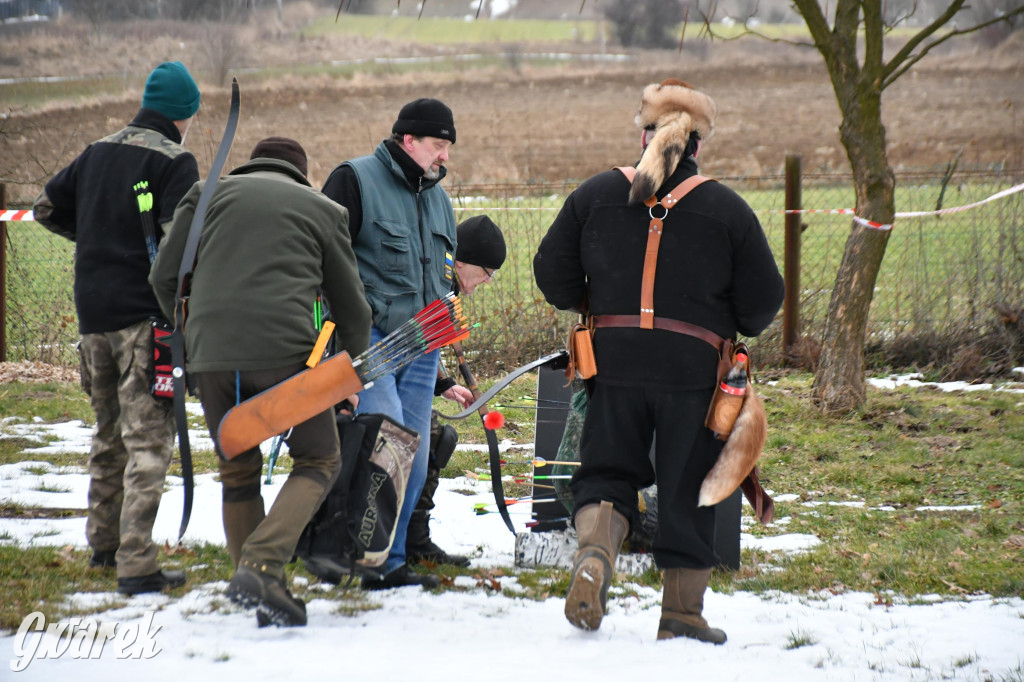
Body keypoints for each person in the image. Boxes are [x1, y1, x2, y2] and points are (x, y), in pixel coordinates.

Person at [533, 79, 785, 643]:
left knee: (606, 474)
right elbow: (764, 303)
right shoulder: (727, 209)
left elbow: (552, 275)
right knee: (690, 486)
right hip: (694, 371)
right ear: (696, 146)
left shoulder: (595, 194)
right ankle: (682, 615)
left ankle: (595, 559)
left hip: (613, 364)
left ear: (645, 134)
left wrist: (601, 303)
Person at [150, 137, 371, 626]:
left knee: (238, 469)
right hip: (287, 354)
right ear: (301, 173)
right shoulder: (323, 210)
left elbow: (163, 278)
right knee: (318, 458)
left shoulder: (204, 195)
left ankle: (255, 585)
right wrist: (352, 373)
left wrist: (192, 334)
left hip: (209, 355)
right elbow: (353, 308)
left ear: (252, 165)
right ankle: (262, 565)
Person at [32, 61, 202, 596]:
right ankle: (136, 563)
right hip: (142, 321)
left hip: (92, 321)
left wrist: (98, 242)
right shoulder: (176, 161)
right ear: (185, 114)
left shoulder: (96, 151)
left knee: (108, 433)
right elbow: (181, 246)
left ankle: (103, 545)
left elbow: (44, 209)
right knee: (149, 438)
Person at [321, 97, 458, 590]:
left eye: (447, 147)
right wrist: (334, 345)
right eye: (438, 145)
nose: (444, 156)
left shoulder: (440, 200)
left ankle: (392, 558)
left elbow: (440, 279)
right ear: (408, 141)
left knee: (414, 457)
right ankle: (362, 558)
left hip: (423, 346)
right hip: (371, 340)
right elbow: (322, 263)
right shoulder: (354, 180)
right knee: (387, 447)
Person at [410, 215, 507, 567]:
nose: (487, 281)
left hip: (409, 383)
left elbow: (423, 346)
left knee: (439, 438)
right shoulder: (432, 281)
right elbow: (409, 337)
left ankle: (413, 538)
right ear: (462, 262)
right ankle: (406, 539)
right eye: (486, 272)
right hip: (378, 389)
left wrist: (444, 383)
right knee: (432, 439)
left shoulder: (445, 285)